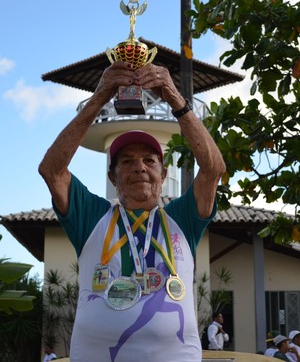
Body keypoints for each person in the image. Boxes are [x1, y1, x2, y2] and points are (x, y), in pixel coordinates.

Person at [39, 61, 226, 362]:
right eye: (126, 161)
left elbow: (213, 169)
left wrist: (175, 98)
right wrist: (99, 98)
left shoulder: (181, 218)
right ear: (112, 177)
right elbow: (52, 170)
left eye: (150, 161)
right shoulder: (92, 216)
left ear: (164, 175)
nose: (139, 166)